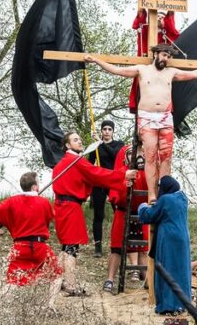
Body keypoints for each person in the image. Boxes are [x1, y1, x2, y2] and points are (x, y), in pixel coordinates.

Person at [86, 48, 197, 194]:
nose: (166, 58)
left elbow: (195, 74)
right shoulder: (142, 70)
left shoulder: (171, 72)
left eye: (168, 56)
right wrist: (97, 60)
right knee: (151, 155)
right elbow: (117, 70)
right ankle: (152, 195)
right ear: (155, 54)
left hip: (165, 117)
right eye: (164, 55)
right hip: (147, 116)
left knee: (166, 156)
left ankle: (164, 192)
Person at [52, 131, 134, 296]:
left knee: (67, 246)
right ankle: (71, 284)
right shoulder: (75, 160)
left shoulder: (66, 162)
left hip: (63, 206)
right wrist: (122, 175)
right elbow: (97, 174)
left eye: (80, 139)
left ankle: (63, 280)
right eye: (75, 140)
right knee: (71, 247)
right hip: (69, 207)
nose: (80, 141)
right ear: (67, 145)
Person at [0, 172, 63, 308]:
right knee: (57, 275)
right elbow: (49, 218)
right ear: (34, 187)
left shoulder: (12, 201)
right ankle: (49, 306)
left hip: (20, 247)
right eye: (38, 184)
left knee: (12, 280)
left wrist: (7, 220)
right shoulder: (44, 202)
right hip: (40, 246)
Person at [138, 175, 191, 315]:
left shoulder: (166, 199)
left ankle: (168, 305)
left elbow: (148, 216)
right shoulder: (183, 198)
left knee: (167, 270)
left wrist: (142, 206)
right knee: (181, 271)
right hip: (183, 239)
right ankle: (182, 303)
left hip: (169, 239)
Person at [129, 0, 181, 112]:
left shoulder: (166, 34)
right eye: (157, 15)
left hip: (161, 75)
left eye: (161, 17)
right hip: (146, 72)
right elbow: (141, 13)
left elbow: (171, 16)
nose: (159, 18)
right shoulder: (145, 29)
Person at [104, 144, 150, 293]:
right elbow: (116, 196)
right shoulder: (121, 173)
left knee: (143, 249)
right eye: (131, 153)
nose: (134, 155)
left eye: (137, 153)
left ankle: (149, 281)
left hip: (141, 214)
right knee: (116, 249)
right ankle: (110, 279)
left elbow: (150, 193)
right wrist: (125, 186)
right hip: (123, 213)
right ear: (126, 156)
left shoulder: (146, 172)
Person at [88, 120, 125, 257]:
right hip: (100, 182)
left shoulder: (119, 145)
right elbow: (89, 164)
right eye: (104, 129)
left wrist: (101, 142)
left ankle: (120, 244)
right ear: (102, 131)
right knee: (98, 214)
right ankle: (98, 246)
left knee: (119, 213)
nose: (107, 131)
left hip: (114, 182)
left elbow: (115, 156)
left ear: (113, 131)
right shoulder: (96, 146)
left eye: (110, 129)